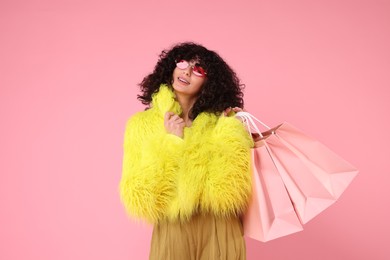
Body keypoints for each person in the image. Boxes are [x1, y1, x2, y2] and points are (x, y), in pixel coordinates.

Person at [119, 42, 254, 260]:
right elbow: (140, 197)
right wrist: (172, 142)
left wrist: (230, 132)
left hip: (220, 228)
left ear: (209, 82)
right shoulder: (141, 125)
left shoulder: (222, 122)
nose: (188, 71)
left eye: (199, 69)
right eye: (182, 62)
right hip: (173, 229)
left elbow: (230, 191)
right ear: (171, 67)